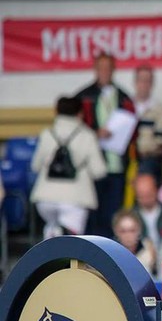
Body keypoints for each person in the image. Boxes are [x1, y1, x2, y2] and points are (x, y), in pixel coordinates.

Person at [75, 52, 136, 238]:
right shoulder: (83, 96)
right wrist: (95, 133)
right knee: (92, 216)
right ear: (95, 70)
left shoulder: (124, 97)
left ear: (114, 70)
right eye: (101, 68)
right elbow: (75, 131)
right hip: (91, 168)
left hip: (117, 165)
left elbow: (134, 129)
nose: (104, 72)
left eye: (108, 68)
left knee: (113, 215)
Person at [30, 97, 107, 239]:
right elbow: (99, 171)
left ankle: (51, 236)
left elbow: (35, 166)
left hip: (45, 198)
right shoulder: (87, 135)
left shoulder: (47, 134)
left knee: (52, 236)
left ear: (56, 112)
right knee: (71, 244)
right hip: (75, 199)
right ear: (80, 114)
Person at [133, 64, 162, 187]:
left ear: (152, 83)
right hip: (125, 158)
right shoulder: (126, 106)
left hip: (148, 158)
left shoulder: (160, 110)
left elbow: (161, 144)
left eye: (147, 80)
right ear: (135, 82)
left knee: (147, 166)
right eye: (141, 80)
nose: (144, 84)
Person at [112, 209, 156, 274]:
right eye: (123, 231)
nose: (128, 235)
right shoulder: (110, 253)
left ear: (139, 230)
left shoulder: (149, 249)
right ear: (116, 232)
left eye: (132, 230)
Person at [131, 173, 162, 251]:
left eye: (149, 193)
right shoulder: (131, 217)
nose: (146, 198)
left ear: (156, 190)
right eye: (141, 195)